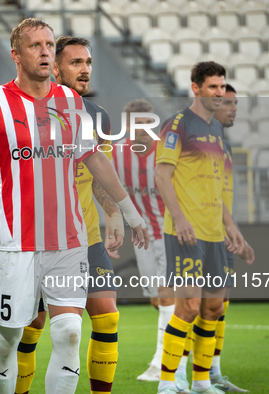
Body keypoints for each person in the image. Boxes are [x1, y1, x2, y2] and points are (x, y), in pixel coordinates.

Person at [0, 18, 149, 394]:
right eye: (35, 45)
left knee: (71, 332)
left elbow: (95, 160)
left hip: (68, 242)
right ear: (16, 55)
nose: (44, 52)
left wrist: (130, 213)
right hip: (13, 243)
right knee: (8, 339)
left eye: (49, 45)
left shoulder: (71, 102)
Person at [13, 36, 125, 394]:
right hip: (42, 241)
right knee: (32, 329)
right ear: (55, 68)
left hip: (88, 237)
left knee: (107, 317)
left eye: (88, 62)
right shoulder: (32, 112)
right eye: (76, 62)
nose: (86, 69)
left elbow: (100, 175)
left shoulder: (97, 117)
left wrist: (116, 216)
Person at [154, 61, 244, 394]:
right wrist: (179, 219)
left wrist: (231, 227)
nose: (220, 93)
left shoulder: (217, 131)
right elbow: (162, 174)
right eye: (213, 87)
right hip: (186, 232)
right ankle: (166, 382)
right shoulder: (178, 124)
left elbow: (218, 187)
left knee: (213, 307)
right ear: (196, 88)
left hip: (214, 233)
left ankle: (202, 381)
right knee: (188, 306)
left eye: (223, 87)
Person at [109, 99, 175, 383]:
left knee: (166, 295)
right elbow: (106, 187)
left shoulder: (167, 150)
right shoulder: (116, 152)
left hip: (171, 234)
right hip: (143, 238)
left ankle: (162, 360)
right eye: (135, 125)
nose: (141, 130)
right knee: (157, 302)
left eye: (146, 123)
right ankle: (182, 346)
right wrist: (113, 222)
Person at [207, 84, 255, 392]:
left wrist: (229, 228)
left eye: (236, 103)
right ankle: (178, 378)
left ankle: (213, 373)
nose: (234, 108)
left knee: (220, 303)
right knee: (195, 306)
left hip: (219, 231)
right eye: (228, 103)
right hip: (203, 234)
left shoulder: (221, 139)